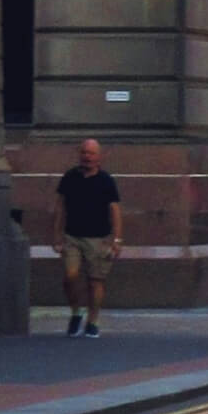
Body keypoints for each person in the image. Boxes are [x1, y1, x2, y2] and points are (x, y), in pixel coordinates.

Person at [50, 139, 124, 339]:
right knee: (70, 275)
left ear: (99, 157)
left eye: (91, 153)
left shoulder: (106, 180)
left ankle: (93, 320)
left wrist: (117, 240)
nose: (87, 156)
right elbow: (60, 207)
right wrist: (56, 235)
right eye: (84, 152)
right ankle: (76, 312)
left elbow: (115, 210)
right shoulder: (70, 177)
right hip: (72, 236)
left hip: (98, 238)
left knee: (95, 281)